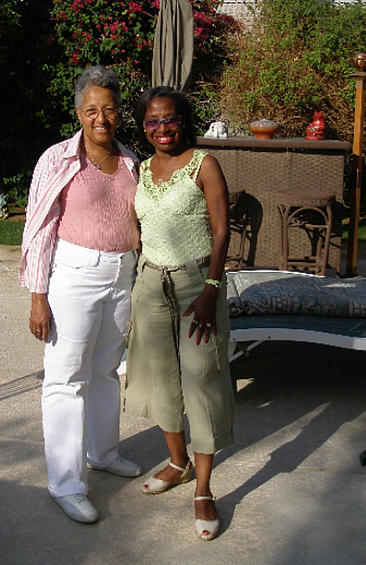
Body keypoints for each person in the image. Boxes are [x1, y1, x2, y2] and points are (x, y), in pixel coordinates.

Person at [20, 65, 143, 524]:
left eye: (108, 109)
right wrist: (38, 295)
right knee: (66, 379)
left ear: (118, 112)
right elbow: (38, 227)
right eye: (92, 110)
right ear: (78, 112)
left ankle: (103, 453)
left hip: (121, 275)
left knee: (107, 371)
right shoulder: (57, 159)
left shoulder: (131, 161)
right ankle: (66, 485)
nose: (100, 118)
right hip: (73, 275)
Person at [124, 86, 235, 541]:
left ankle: (205, 489)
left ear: (183, 121)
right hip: (151, 282)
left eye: (169, 119)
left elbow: (221, 228)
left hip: (196, 285)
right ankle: (177, 463)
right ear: (144, 127)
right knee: (160, 378)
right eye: (152, 121)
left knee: (202, 379)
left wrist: (210, 287)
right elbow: (137, 223)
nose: (162, 128)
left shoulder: (204, 164)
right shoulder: (141, 169)